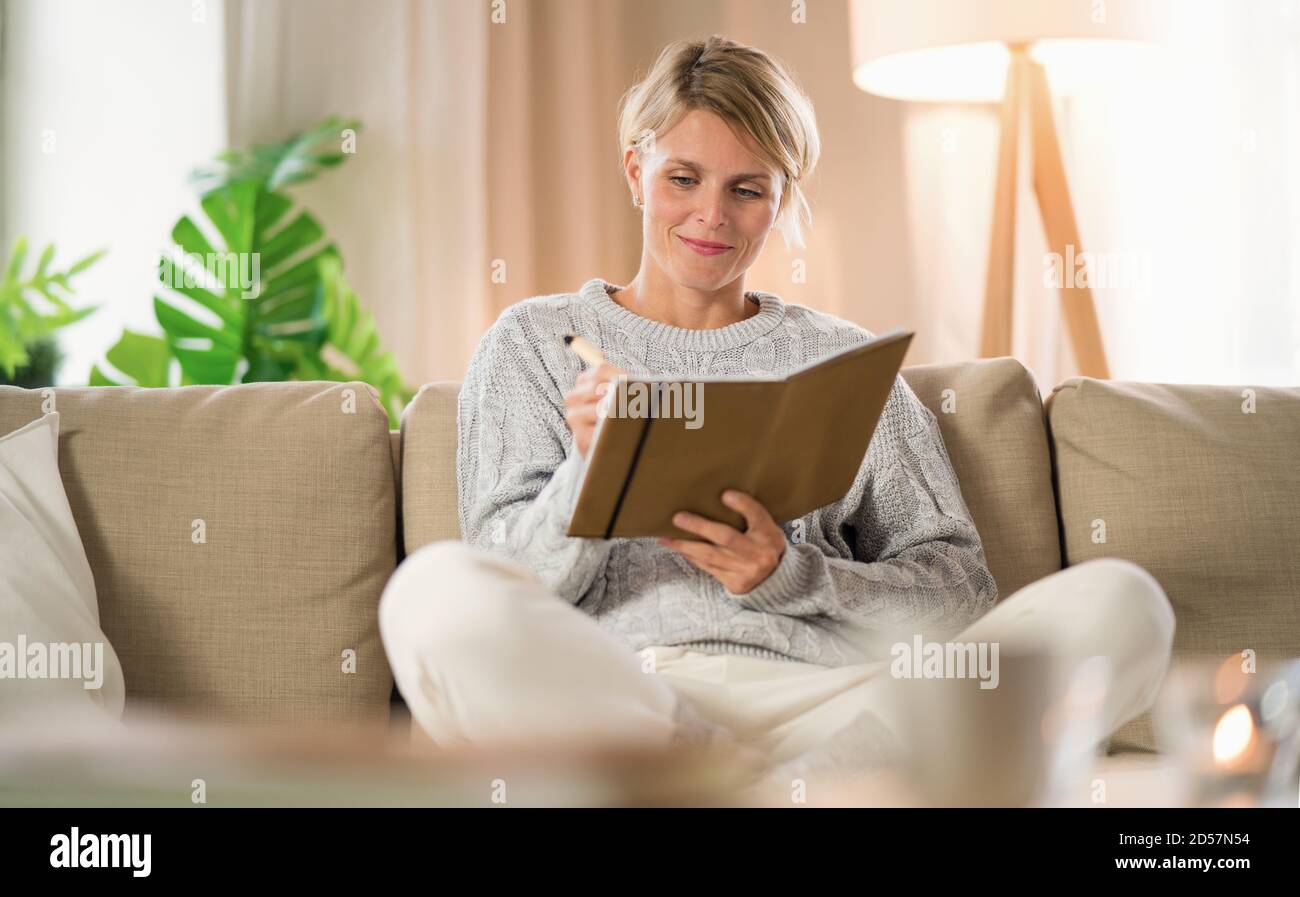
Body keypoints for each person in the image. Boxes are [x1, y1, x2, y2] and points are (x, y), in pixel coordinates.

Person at [379, 35, 1174, 793]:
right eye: (682, 179)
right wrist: (592, 475)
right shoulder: (531, 341)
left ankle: (772, 790)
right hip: (623, 699)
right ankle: (726, 782)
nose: (711, 217)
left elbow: (958, 589)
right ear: (635, 170)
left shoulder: (845, 362)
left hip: (833, 706)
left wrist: (789, 574)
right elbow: (502, 579)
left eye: (746, 189)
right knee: (430, 593)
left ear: (781, 198)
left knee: (1124, 601)